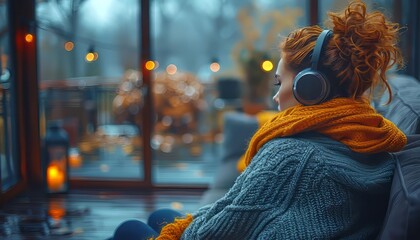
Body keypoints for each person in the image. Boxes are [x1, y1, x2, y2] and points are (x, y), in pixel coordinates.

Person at [113, 1, 407, 239]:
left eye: (280, 83)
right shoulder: (367, 137)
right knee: (159, 217)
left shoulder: (292, 157)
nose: (276, 97)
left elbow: (207, 234)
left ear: (311, 87)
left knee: (131, 228)